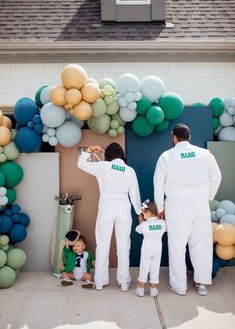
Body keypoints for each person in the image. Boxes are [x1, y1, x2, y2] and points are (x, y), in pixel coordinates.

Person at [153, 123, 222, 296]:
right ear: (189, 137)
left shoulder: (166, 156)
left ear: (174, 138)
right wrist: (209, 196)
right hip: (200, 204)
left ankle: (179, 286)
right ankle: (202, 284)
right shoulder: (205, 154)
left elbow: (158, 184)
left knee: (177, 246)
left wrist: (160, 208)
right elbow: (217, 177)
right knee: (201, 245)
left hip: (176, 206)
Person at [77, 142, 141, 291]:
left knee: (103, 245)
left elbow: (81, 164)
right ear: (122, 155)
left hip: (106, 207)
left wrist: (89, 149)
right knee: (124, 245)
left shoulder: (103, 167)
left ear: (108, 155)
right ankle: (124, 282)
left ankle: (100, 281)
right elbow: (135, 196)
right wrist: (139, 213)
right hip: (123, 208)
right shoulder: (130, 170)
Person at [135, 200, 166, 297]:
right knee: (155, 268)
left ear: (148, 213)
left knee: (144, 267)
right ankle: (153, 289)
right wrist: (162, 218)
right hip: (157, 250)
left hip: (147, 250)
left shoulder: (144, 225)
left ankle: (140, 289)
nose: (143, 216)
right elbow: (166, 228)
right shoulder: (162, 223)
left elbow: (138, 230)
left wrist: (140, 221)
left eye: (143, 214)